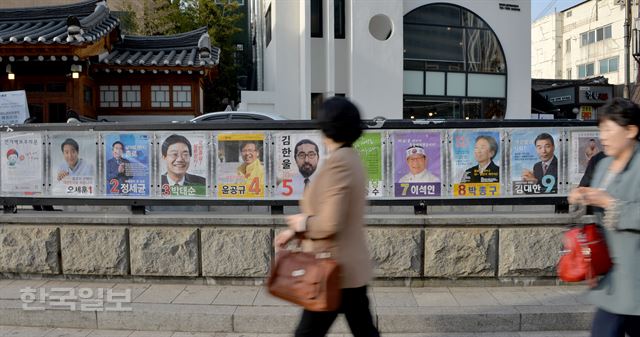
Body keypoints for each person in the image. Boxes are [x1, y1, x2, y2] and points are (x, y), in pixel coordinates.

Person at [275, 96, 379, 337]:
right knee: (364, 330)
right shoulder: (351, 157)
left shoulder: (339, 163)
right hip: (346, 268)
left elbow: (331, 222)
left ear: (325, 127)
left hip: (332, 268)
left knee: (307, 333)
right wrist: (295, 232)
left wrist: (301, 223)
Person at [568, 98, 640, 337]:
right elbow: (599, 213)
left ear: (631, 130)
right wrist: (582, 195)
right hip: (615, 278)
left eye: (609, 129)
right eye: (601, 130)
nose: (603, 136)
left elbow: (612, 204)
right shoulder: (603, 164)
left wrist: (609, 203)